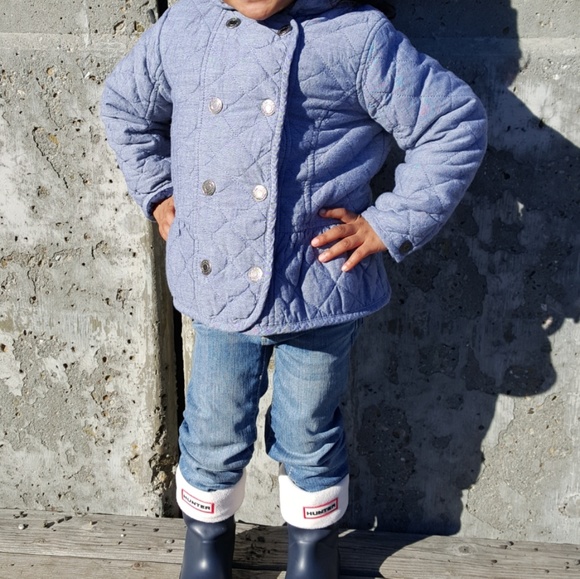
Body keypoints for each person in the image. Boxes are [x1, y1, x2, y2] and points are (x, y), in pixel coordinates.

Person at [101, 0, 487, 576]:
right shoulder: (184, 26)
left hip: (318, 291)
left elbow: (452, 123)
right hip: (219, 288)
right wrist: (158, 190)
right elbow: (125, 105)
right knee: (211, 428)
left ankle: (313, 550)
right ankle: (205, 548)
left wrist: (388, 223)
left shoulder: (356, 37)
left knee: (309, 429)